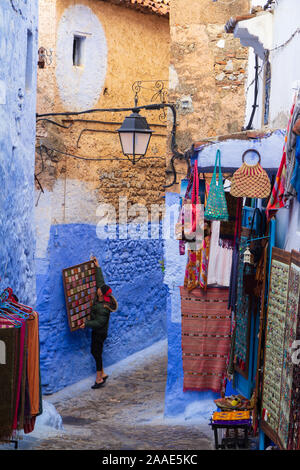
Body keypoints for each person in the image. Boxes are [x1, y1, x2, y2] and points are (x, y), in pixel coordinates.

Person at [80, 256, 118, 389]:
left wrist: (86, 324)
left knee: (96, 352)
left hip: (99, 332)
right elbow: (101, 282)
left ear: (101, 294)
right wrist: (97, 267)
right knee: (96, 352)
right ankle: (102, 373)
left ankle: (99, 378)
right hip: (98, 332)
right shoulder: (102, 298)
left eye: (99, 290)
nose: (98, 289)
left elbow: (99, 323)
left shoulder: (104, 308)